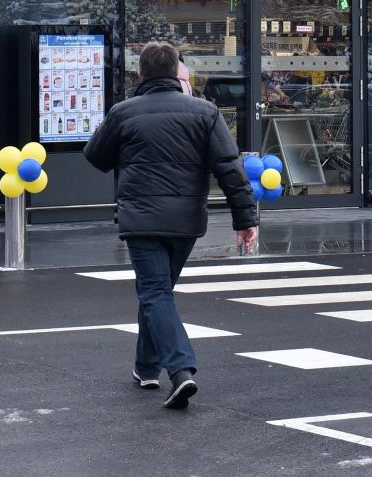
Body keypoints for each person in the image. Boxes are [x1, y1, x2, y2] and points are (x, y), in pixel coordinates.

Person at [84, 41, 258, 410]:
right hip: (186, 221)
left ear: (140, 73)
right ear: (177, 72)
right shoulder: (205, 112)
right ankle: (146, 368)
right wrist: (245, 220)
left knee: (155, 293)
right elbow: (230, 168)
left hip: (141, 219)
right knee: (158, 292)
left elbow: (96, 157)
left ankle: (180, 371)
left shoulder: (123, 112)